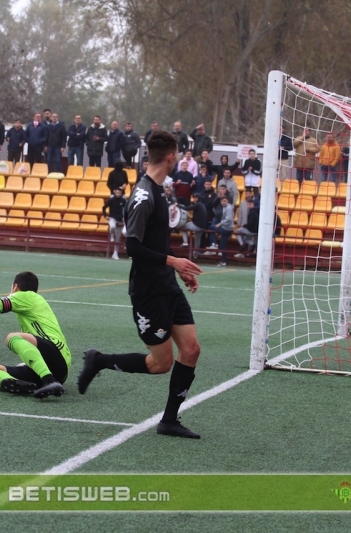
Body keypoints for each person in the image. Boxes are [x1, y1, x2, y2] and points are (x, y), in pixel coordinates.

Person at [77, 130, 204, 439]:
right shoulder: (144, 195)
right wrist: (173, 262)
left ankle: (169, 420)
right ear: (171, 157)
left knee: (191, 349)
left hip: (167, 286)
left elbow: (156, 241)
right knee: (161, 364)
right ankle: (100, 360)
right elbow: (133, 246)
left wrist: (177, 268)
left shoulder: (159, 190)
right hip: (148, 292)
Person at [0, 271, 71, 398]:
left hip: (56, 356)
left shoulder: (27, 296)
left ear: (15, 287)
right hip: (57, 372)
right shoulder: (33, 301)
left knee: (12, 337)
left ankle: (49, 380)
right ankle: (14, 383)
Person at [103, 187, 127, 260]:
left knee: (118, 237)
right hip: (112, 217)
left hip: (119, 219)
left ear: (121, 193)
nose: (118, 194)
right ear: (115, 192)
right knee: (112, 226)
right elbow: (104, 207)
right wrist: (105, 216)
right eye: (117, 193)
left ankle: (115, 253)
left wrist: (124, 217)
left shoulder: (123, 200)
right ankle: (112, 235)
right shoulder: (111, 200)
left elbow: (126, 209)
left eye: (120, 193)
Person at [212, 196, 234, 267]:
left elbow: (229, 219)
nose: (223, 202)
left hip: (226, 228)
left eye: (224, 201)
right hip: (226, 227)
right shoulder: (226, 208)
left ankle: (214, 243)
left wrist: (220, 224)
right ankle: (223, 261)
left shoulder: (228, 208)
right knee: (223, 244)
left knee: (211, 227)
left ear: (227, 201)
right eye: (222, 201)